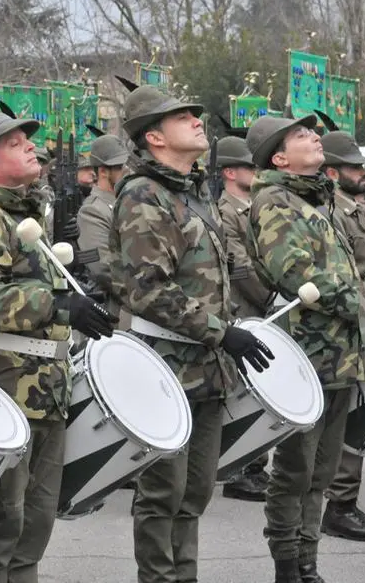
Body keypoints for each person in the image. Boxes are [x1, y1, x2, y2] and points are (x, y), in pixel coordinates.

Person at [0, 105, 117, 583]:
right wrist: (57, 303)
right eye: (15, 144)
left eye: (27, 140)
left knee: (31, 528)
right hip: (3, 385)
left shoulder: (18, 207)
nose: (31, 146)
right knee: (0, 528)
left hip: (39, 388)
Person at [109, 86, 272, 583]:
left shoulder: (190, 192)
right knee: (163, 493)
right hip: (165, 368)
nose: (197, 120)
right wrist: (223, 333)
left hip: (204, 368)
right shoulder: (143, 194)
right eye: (182, 117)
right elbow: (147, 290)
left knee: (195, 492)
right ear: (154, 137)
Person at [246, 115, 363, 583]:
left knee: (321, 472)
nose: (315, 138)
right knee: (295, 471)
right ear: (278, 157)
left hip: (337, 356)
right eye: (301, 135)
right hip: (303, 357)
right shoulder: (276, 201)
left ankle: (307, 562)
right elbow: (294, 272)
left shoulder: (320, 199)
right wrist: (360, 300)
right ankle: (287, 565)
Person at [319, 130, 365, 541]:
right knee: (356, 411)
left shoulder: (363, 211)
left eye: (361, 166)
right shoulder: (331, 213)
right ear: (331, 172)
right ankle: (339, 504)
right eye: (353, 167)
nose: (362, 172)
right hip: (352, 323)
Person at [215, 136, 274, 502]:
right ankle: (238, 468)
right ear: (230, 172)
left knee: (257, 389)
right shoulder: (225, 211)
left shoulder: (254, 207)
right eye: (250, 167)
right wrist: (270, 297)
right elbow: (240, 268)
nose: (257, 173)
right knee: (239, 391)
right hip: (244, 308)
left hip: (261, 309)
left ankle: (253, 463)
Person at [76, 134, 128, 320]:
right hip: (116, 310)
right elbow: (103, 268)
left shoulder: (125, 201)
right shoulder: (93, 210)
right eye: (120, 167)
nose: (127, 171)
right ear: (103, 172)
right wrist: (146, 294)